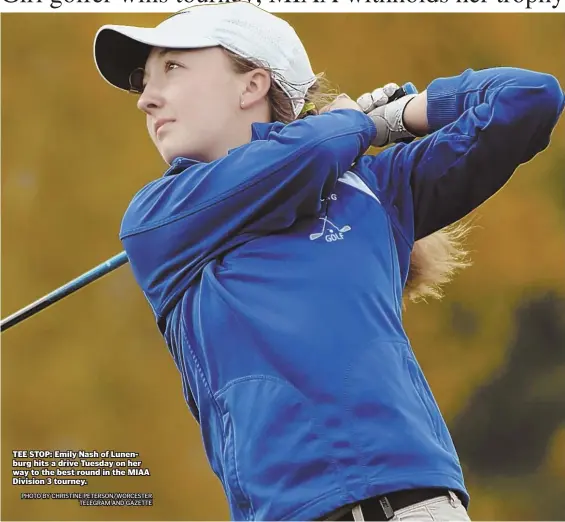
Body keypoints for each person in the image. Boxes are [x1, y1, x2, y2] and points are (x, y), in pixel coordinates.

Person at [93, 4, 564, 521]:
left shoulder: (371, 186)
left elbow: (529, 99)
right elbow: (307, 154)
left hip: (418, 502)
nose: (146, 99)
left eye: (172, 69)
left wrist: (402, 116)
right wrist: (355, 126)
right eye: (144, 81)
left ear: (251, 85)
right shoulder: (160, 217)